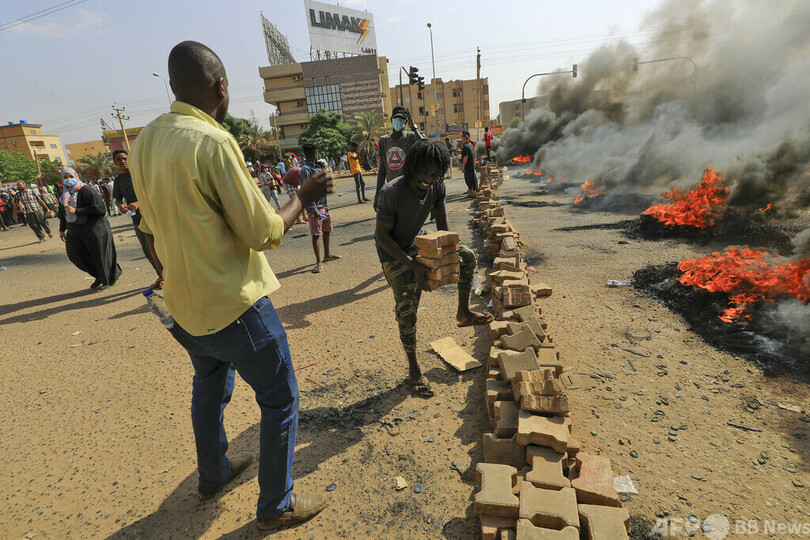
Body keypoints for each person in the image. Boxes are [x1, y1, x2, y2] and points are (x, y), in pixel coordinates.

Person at [129, 40, 331, 531]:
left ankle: (213, 473)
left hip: (184, 306)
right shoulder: (213, 142)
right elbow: (263, 232)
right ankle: (275, 506)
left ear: (175, 86)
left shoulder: (145, 142)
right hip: (234, 305)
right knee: (280, 397)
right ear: (220, 87)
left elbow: (149, 229)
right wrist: (303, 197)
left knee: (210, 385)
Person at [375, 139, 492, 396]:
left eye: (435, 173)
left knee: (468, 256)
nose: (429, 178)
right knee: (407, 307)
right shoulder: (391, 193)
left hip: (418, 243)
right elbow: (382, 237)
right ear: (413, 167)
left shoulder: (437, 186)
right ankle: (414, 369)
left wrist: (450, 251)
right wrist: (412, 265)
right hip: (393, 252)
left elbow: (441, 220)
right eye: (424, 171)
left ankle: (463, 312)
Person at [57, 168, 122, 290]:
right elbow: (63, 214)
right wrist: (62, 229)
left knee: (99, 254)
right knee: (75, 254)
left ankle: (107, 279)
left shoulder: (86, 190)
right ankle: (98, 275)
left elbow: (100, 209)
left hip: (94, 226)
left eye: (70, 176)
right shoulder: (64, 195)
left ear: (76, 176)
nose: (68, 179)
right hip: (75, 229)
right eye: (65, 177)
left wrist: (76, 211)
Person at [112, 149, 163, 290]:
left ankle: (171, 276)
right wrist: (120, 205)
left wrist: (139, 202)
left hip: (153, 215)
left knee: (160, 247)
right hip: (137, 219)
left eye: (124, 158)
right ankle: (161, 276)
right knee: (148, 250)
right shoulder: (118, 180)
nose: (122, 162)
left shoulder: (141, 174)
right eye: (119, 160)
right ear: (115, 163)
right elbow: (117, 199)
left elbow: (154, 192)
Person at [300, 143, 340, 273]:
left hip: (324, 206)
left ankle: (327, 255)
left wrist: (325, 169)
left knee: (327, 229)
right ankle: (318, 262)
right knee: (316, 234)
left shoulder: (318, 167)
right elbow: (306, 192)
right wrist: (314, 210)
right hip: (316, 209)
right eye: (317, 153)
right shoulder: (306, 170)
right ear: (315, 154)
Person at [374, 106, 423, 209]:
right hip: (392, 188)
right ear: (391, 120)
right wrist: (377, 195)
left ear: (405, 123)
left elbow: (426, 143)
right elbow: (382, 170)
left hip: (409, 189)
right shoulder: (383, 141)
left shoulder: (411, 137)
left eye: (401, 120)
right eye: (396, 119)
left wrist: (414, 128)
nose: (398, 122)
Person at [460, 131, 478, 197]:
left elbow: (465, 157)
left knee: (468, 179)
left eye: (462, 139)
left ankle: (471, 192)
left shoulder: (465, 146)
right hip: (472, 164)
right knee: (472, 178)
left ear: (465, 139)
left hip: (467, 165)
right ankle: (473, 191)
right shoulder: (471, 145)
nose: (461, 141)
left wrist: (463, 166)